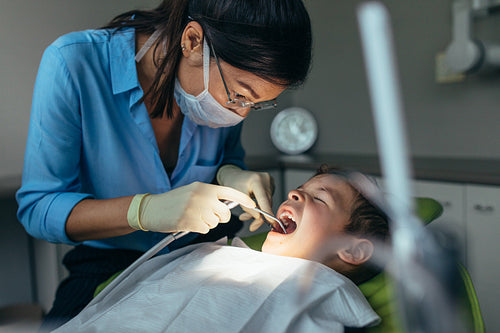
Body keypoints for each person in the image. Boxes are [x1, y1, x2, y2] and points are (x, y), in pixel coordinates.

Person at [15, 0, 312, 330]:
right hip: (109, 262)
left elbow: (227, 157)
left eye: (256, 104)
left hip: (203, 250)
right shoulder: (74, 63)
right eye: (240, 96)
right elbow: (39, 208)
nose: (240, 114)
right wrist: (142, 211)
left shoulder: (225, 87)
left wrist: (232, 173)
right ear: (193, 41)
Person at [53, 165, 390, 332]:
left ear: (354, 250)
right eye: (300, 190)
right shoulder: (217, 254)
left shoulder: (325, 290)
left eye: (319, 198)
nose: (295, 195)